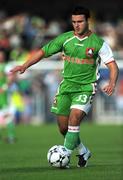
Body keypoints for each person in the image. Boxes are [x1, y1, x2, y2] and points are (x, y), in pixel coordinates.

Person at [10, 6, 119, 167]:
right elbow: (43, 51)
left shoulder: (98, 43)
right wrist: (25, 65)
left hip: (86, 87)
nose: (77, 25)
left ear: (88, 21)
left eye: (80, 21)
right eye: (74, 22)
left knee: (74, 118)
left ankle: (64, 155)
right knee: (63, 128)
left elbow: (112, 65)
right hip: (66, 87)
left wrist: (112, 82)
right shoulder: (65, 39)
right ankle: (83, 151)